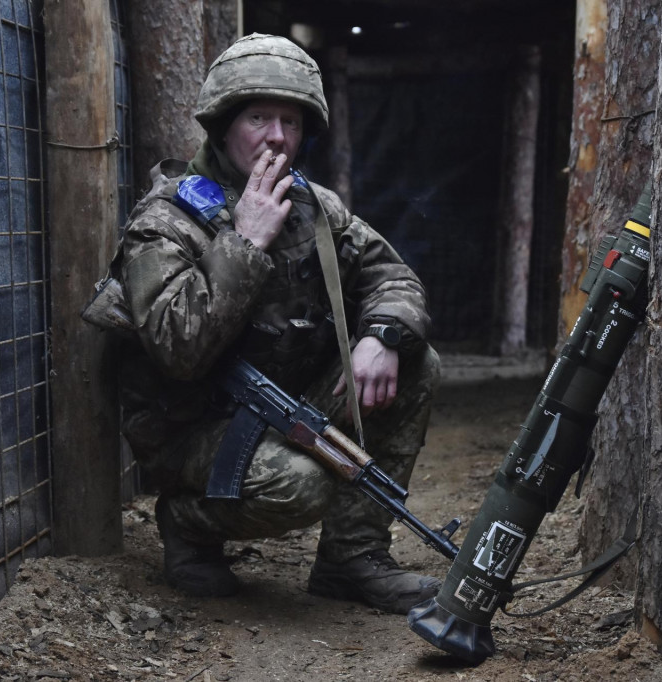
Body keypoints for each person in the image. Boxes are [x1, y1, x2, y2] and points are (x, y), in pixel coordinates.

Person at [116, 33, 441, 615]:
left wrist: (381, 335)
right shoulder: (167, 221)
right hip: (190, 427)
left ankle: (352, 559)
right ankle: (188, 524)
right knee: (301, 485)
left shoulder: (315, 208)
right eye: (258, 117)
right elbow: (176, 348)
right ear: (221, 125)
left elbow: (393, 277)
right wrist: (244, 240)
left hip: (282, 402)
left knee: (416, 359)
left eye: (289, 122)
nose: (275, 137)